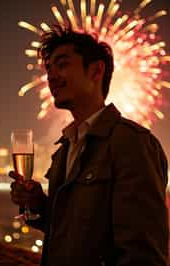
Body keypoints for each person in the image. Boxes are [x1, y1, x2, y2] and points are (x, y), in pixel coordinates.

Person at [10, 25, 169, 266]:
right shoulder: (65, 148)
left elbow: (142, 252)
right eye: (49, 68)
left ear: (96, 71)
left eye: (62, 64)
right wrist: (38, 205)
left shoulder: (131, 143)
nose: (51, 76)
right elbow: (76, 231)